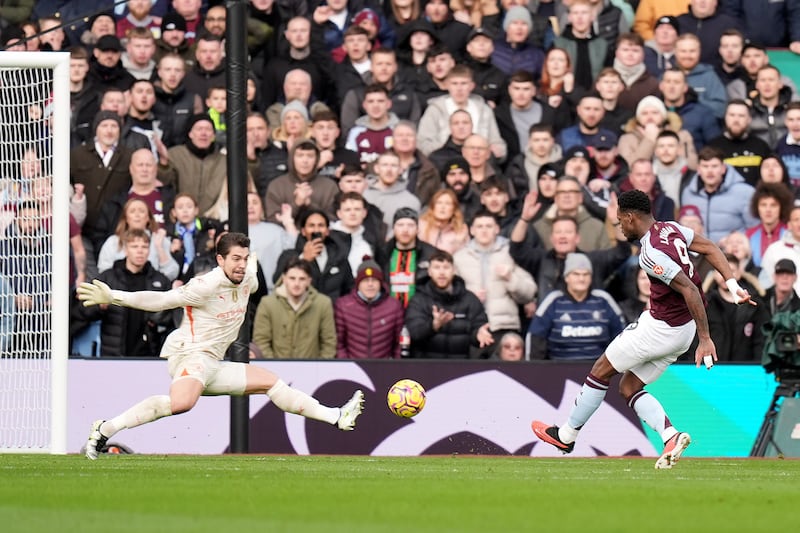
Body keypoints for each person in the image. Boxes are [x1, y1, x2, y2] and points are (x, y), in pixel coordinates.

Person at [78, 232, 365, 460]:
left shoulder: (248, 280)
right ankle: (106, 428)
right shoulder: (205, 286)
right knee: (182, 404)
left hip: (214, 362)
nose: (240, 264)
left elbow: (250, 269)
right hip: (191, 354)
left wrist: (249, 261)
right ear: (220, 260)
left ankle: (336, 416)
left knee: (273, 383)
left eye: (244, 258)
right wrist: (114, 295)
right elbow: (162, 300)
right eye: (234, 259)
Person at [531, 189, 755, 469]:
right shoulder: (671, 229)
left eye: (619, 221)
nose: (620, 227)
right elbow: (709, 247)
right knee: (629, 386)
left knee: (602, 369)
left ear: (630, 217)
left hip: (663, 328)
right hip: (681, 330)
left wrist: (706, 338)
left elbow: (690, 290)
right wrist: (733, 284)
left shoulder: (650, 253)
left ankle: (566, 435)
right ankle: (670, 436)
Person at [526, 252, 625, 360]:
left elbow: (622, 337)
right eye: (576, 274)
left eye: (586, 274)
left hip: (598, 371)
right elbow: (536, 337)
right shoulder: (553, 301)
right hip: (558, 370)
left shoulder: (604, 300)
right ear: (566, 277)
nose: (581, 279)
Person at [404, 249, 494, 359]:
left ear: (453, 270)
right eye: (437, 267)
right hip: (426, 367)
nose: (442, 272)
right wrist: (433, 326)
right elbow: (415, 333)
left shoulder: (469, 299)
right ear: (429, 271)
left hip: (460, 367)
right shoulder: (418, 300)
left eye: (446, 267)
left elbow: (479, 327)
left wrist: (478, 334)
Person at [252, 257, 337, 359]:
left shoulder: (323, 303)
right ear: (284, 279)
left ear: (309, 281)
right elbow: (261, 340)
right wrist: (273, 366)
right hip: (275, 370)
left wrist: (319, 368)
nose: (297, 284)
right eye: (292, 278)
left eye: (302, 279)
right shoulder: (267, 303)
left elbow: (329, 342)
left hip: (313, 371)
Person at [333, 257, 405, 359]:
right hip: (353, 368)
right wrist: (347, 366)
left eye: (374, 280)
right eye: (365, 280)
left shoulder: (394, 306)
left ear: (381, 283)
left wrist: (394, 366)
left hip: (384, 368)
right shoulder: (343, 305)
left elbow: (398, 344)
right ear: (358, 284)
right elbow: (339, 344)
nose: (370, 284)